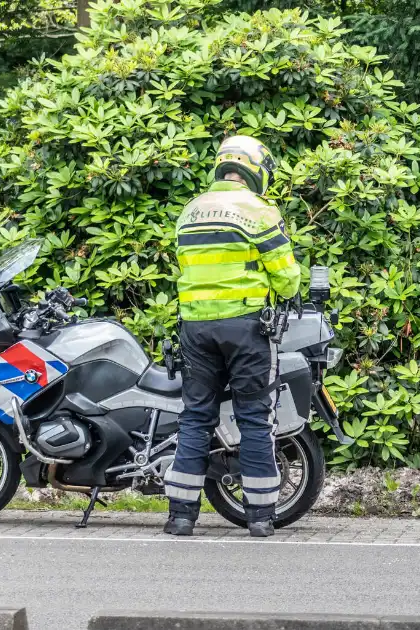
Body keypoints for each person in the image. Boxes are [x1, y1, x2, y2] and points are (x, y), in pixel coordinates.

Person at [162, 135, 301, 537]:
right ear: (258, 170)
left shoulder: (190, 212)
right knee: (255, 419)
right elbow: (286, 274)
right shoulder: (258, 210)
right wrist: (288, 291)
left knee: (195, 417)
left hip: (195, 327)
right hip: (246, 326)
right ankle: (259, 517)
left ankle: (181, 516)